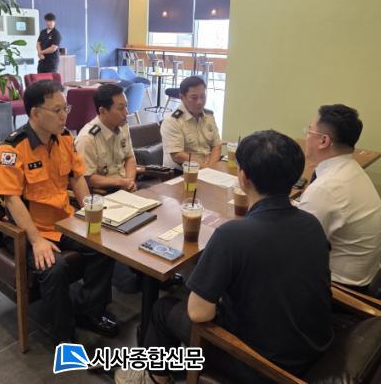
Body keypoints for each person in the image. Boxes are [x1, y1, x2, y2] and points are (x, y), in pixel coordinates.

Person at [115, 130, 333, 384]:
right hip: (312, 350)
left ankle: (155, 378)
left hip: (262, 366)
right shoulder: (311, 224)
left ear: (244, 177)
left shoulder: (233, 234)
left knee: (163, 309)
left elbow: (198, 313)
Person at [0, 80, 118, 343]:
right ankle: (64, 336)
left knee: (103, 246)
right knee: (54, 268)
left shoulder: (65, 140)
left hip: (63, 221)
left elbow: (77, 178)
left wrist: (90, 211)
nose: (64, 116)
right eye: (57, 110)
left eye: (65, 108)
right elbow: (11, 201)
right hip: (29, 229)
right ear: (35, 113)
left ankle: (90, 311)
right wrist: (36, 240)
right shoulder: (11, 150)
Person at [297, 104, 381, 288]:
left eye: (309, 131)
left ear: (323, 141)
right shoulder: (352, 170)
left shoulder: (325, 189)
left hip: (339, 289)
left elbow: (295, 248)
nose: (306, 137)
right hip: (365, 273)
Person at [75, 84, 137, 193]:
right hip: (105, 192)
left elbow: (130, 158)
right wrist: (120, 183)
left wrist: (130, 182)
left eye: (126, 106)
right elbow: (87, 178)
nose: (126, 112)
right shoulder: (87, 138)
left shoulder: (123, 126)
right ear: (103, 111)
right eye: (121, 108)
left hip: (126, 187)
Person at [160, 75, 221, 170]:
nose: (199, 102)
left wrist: (211, 168)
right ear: (182, 97)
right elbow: (177, 156)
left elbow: (216, 146)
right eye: (194, 97)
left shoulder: (209, 116)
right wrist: (205, 168)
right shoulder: (172, 121)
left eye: (202, 96)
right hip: (182, 172)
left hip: (208, 168)